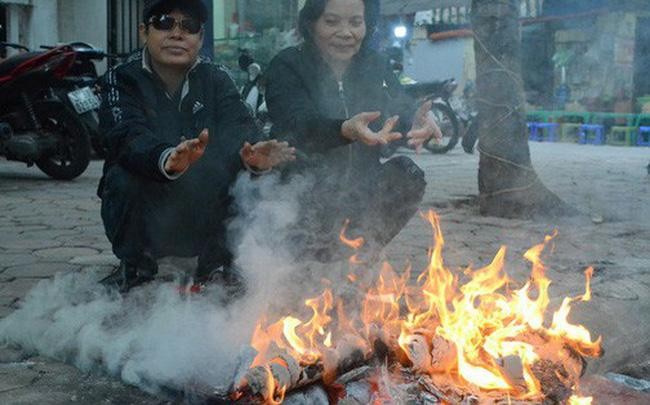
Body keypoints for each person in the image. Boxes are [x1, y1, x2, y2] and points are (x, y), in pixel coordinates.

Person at [98, 0, 294, 294]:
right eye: (164, 22)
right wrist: (165, 159)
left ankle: (217, 267)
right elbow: (124, 134)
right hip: (149, 217)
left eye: (188, 26)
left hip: (203, 217)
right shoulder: (122, 78)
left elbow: (241, 128)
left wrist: (254, 157)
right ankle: (136, 267)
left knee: (250, 176)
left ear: (200, 38)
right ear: (143, 32)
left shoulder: (217, 79)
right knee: (123, 177)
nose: (177, 34)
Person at [265, 0, 441, 262]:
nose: (346, 32)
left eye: (355, 22)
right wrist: (344, 129)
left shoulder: (375, 64)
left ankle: (355, 259)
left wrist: (416, 120)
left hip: (359, 193)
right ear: (312, 23)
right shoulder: (288, 65)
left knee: (407, 174)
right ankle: (306, 264)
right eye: (332, 21)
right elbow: (297, 124)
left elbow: (398, 108)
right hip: (303, 196)